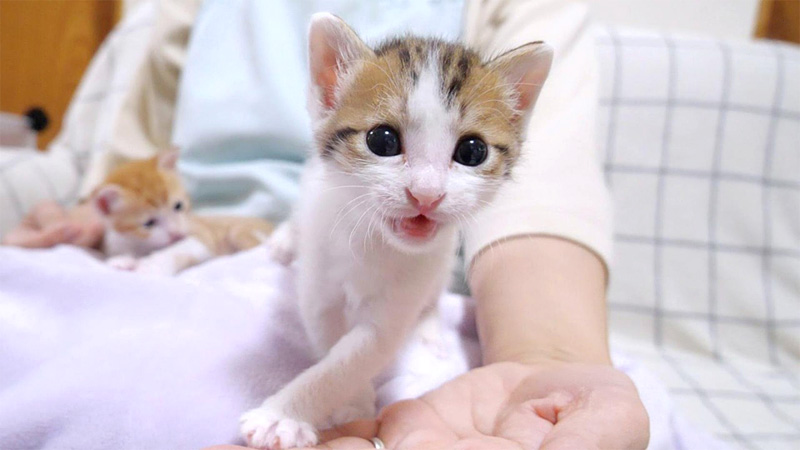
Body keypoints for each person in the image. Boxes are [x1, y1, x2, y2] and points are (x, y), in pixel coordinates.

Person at [3, 0, 650, 448]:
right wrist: (94, 211)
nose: (427, 191)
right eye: (388, 139)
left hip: (396, 279)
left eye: (469, 151)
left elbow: (544, 203)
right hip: (205, 236)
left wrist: (545, 358)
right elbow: (139, 152)